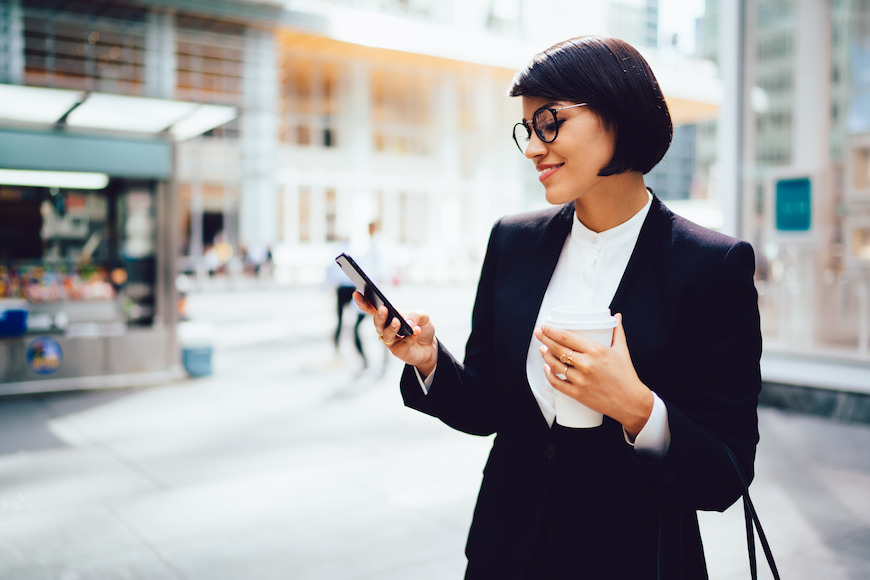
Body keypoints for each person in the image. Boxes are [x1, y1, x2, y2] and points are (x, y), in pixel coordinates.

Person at [354, 35, 762, 579]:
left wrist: (638, 409)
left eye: (549, 123)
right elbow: (487, 410)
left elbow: (726, 475)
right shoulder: (513, 241)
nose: (533, 148)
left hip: (635, 559)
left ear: (617, 111)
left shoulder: (712, 266)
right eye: (527, 130)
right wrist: (429, 360)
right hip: (507, 553)